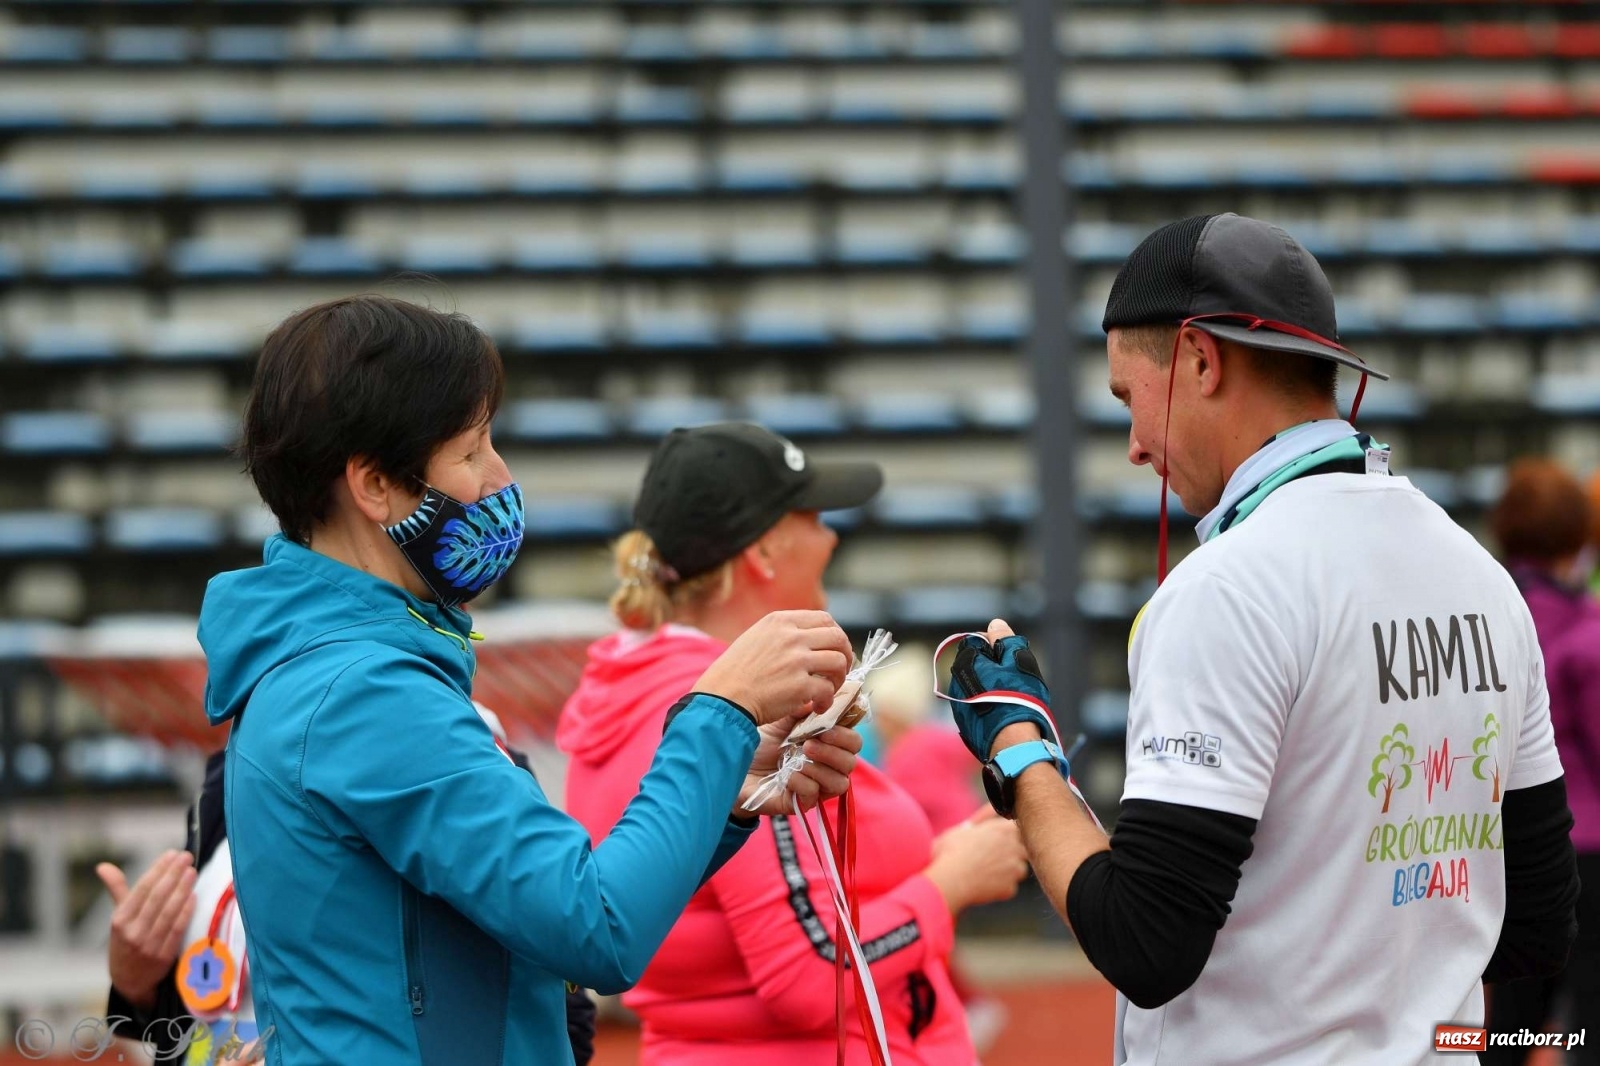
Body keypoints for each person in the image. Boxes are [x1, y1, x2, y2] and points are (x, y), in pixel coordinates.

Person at [937, 214, 1581, 1066]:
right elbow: (1537, 921)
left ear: (1202, 359)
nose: (1134, 446)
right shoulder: (1482, 577)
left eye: (1132, 398)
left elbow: (1144, 943)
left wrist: (1022, 753)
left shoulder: (1229, 589)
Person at [199, 296, 863, 1066]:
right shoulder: (365, 695)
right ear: (375, 485)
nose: (501, 477)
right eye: (474, 449)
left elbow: (547, 906)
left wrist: (730, 788)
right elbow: (598, 928)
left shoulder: (338, 668)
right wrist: (720, 709)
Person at [557, 422, 1029, 1065]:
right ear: (765, 551)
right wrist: (952, 881)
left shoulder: (626, 686)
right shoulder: (739, 712)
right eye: (812, 516)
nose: (831, 535)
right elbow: (811, 974)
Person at [99, 709, 600, 1065]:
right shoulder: (231, 775)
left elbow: (561, 1029)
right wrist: (137, 985)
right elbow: (191, 1015)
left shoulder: (474, 775)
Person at [1482, 459, 1600, 1066]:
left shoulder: (1485, 618)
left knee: (1503, 1026)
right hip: (1586, 857)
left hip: (1499, 847)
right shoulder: (1589, 633)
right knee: (1581, 1027)